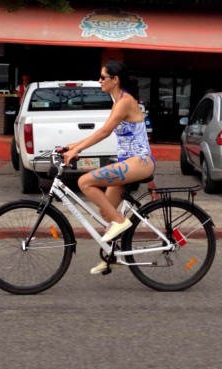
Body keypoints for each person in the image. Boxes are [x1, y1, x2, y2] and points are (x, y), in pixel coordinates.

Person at [63, 60, 156, 275]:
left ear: (115, 80)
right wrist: (72, 146)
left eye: (103, 77)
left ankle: (122, 222)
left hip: (139, 162)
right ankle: (113, 257)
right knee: (108, 213)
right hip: (127, 163)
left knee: (84, 181)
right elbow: (102, 131)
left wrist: (77, 150)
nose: (99, 81)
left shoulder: (125, 101)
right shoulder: (117, 101)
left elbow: (104, 132)